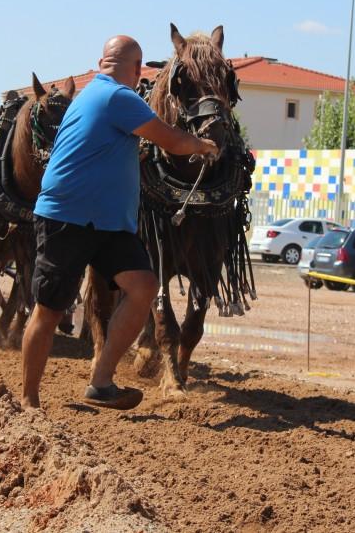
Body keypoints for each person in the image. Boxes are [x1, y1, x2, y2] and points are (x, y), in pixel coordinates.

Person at [21, 35, 219, 411]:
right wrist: (203, 146)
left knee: (143, 286)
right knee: (48, 310)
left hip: (107, 224)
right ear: (136, 69)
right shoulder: (118, 97)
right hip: (67, 217)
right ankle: (28, 401)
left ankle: (101, 382)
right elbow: (172, 140)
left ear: (102, 61)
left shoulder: (91, 96)